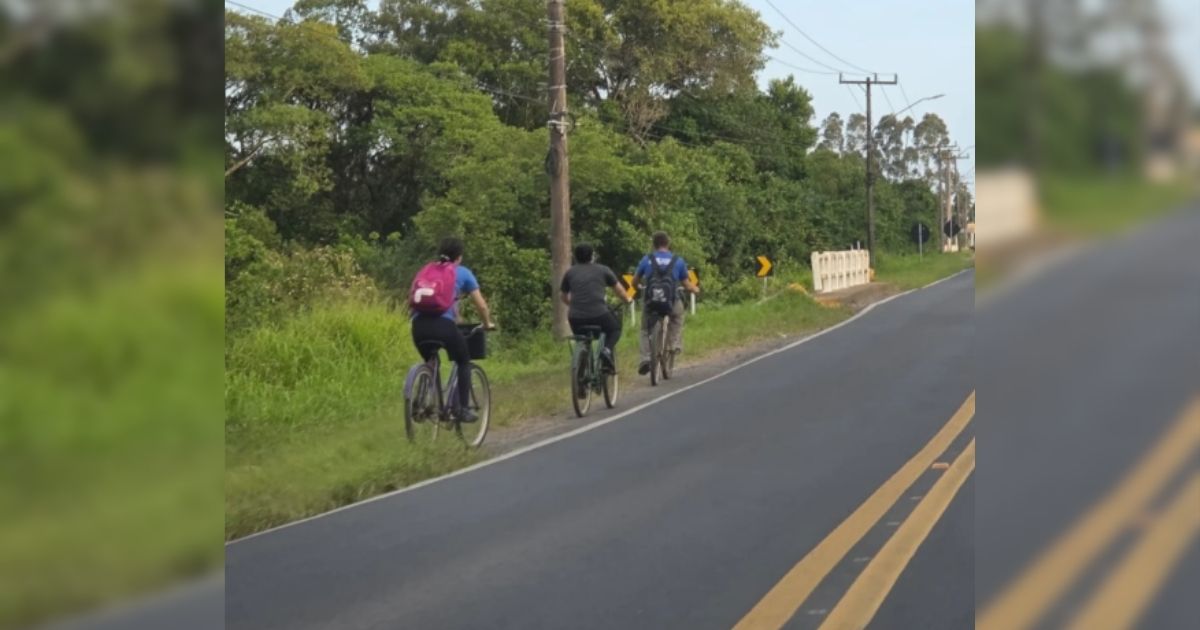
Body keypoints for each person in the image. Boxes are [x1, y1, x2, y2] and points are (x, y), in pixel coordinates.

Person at [410, 237, 496, 422]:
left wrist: (456, 317)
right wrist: (487, 323)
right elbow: (481, 306)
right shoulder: (462, 272)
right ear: (459, 257)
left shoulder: (427, 270)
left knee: (431, 359)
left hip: (418, 327)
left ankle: (422, 399)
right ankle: (462, 409)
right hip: (443, 327)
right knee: (463, 360)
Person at [632, 231, 699, 375]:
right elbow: (686, 285)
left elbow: (634, 281)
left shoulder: (647, 259)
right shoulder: (678, 261)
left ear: (654, 244)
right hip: (671, 301)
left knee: (645, 329)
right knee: (677, 317)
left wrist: (638, 286)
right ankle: (674, 344)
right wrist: (695, 289)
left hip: (651, 303)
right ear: (668, 244)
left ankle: (645, 358)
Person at [561, 243, 633, 373]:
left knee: (583, 339)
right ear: (592, 256)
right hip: (599, 315)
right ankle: (607, 350)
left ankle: (581, 369)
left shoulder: (569, 273)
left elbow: (564, 297)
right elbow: (620, 291)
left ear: (575, 257)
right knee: (615, 329)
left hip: (575, 318)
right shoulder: (603, 270)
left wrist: (576, 305)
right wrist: (627, 300)